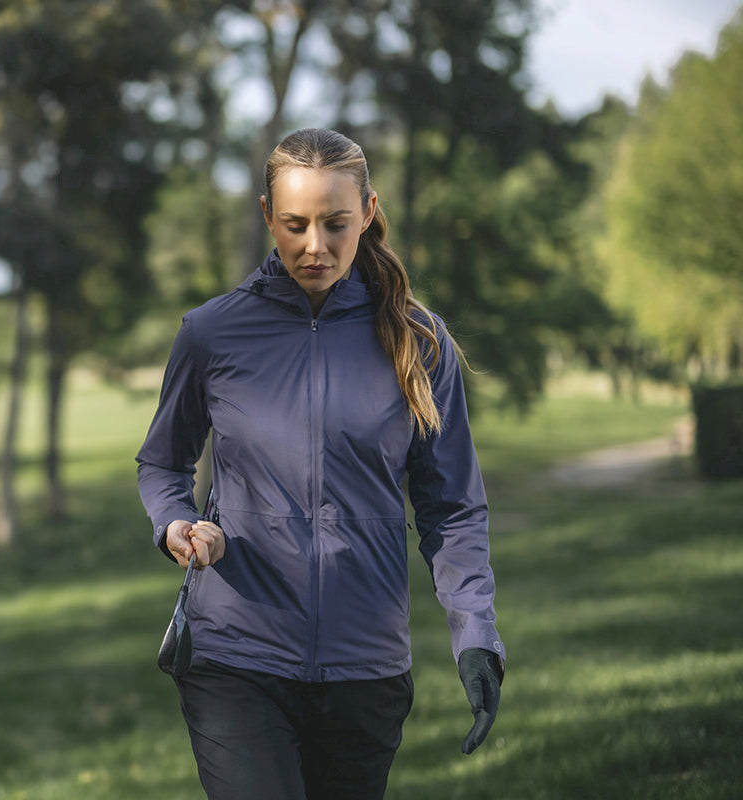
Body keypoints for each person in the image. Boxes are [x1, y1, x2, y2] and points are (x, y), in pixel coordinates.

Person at [136, 127, 504, 800]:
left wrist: (475, 632)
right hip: (235, 654)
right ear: (266, 217)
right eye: (294, 224)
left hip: (365, 669)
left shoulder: (420, 341)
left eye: (335, 224)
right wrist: (177, 524)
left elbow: (451, 509)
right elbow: (162, 465)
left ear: (367, 212)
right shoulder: (212, 333)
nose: (315, 246)